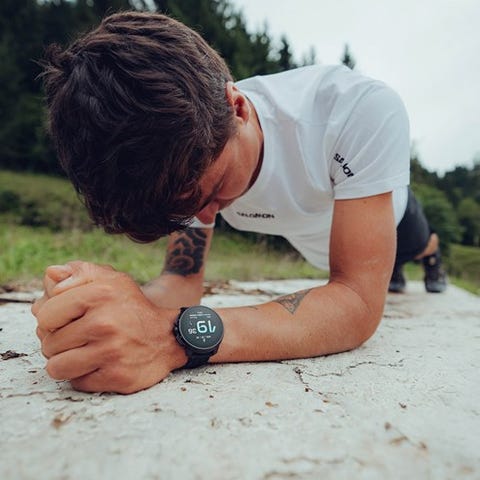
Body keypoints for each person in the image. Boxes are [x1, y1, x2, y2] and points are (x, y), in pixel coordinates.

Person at [33, 11, 446, 394]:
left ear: (238, 107)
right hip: (315, 241)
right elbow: (182, 280)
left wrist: (175, 337)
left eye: (214, 191)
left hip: (391, 222)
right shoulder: (180, 143)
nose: (204, 218)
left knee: (415, 243)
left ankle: (432, 254)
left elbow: (355, 300)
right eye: (182, 214)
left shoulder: (357, 110)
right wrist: (107, 311)